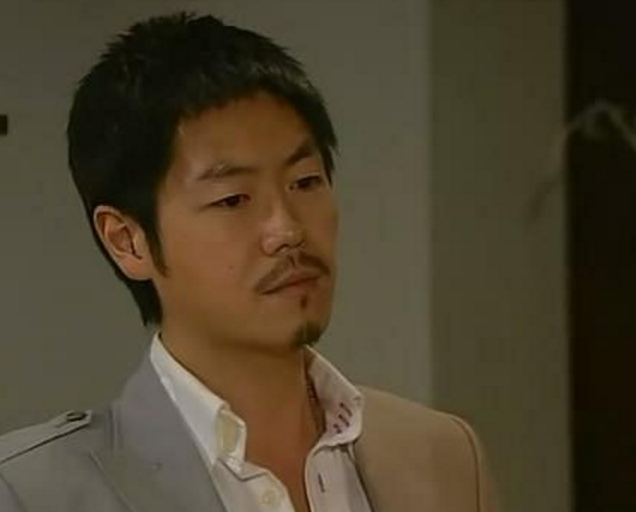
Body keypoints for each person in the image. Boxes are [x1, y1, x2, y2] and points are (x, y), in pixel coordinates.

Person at [0, 12, 500, 512]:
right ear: (128, 241)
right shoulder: (32, 493)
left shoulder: (444, 455)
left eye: (305, 182)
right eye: (233, 199)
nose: (287, 230)